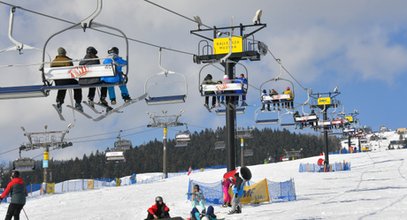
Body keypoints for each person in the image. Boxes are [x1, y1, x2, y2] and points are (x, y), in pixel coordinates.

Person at [51, 47, 83, 112]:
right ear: (64, 53)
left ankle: (59, 102)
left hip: (58, 82)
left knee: (62, 87)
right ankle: (78, 102)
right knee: (77, 85)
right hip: (67, 80)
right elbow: (71, 71)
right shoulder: (68, 61)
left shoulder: (53, 62)